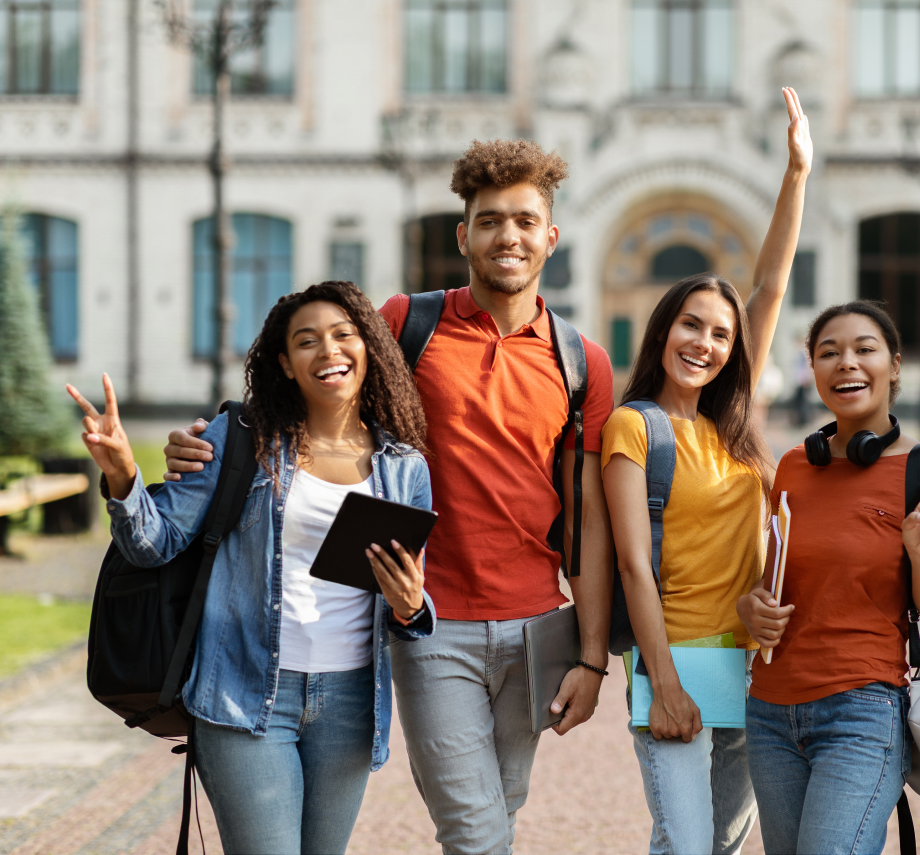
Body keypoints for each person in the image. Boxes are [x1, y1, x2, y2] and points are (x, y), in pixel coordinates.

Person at [164, 141, 615, 853]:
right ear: (463, 235)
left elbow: (586, 519)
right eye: (491, 220)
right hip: (430, 619)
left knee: (502, 806)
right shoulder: (410, 322)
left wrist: (592, 656)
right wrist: (219, 439)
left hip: (536, 624)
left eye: (526, 221)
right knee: (473, 826)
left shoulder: (581, 359)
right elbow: (321, 378)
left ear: (550, 238)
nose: (509, 236)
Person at [69, 281, 436, 854]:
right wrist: (122, 474)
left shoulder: (404, 467)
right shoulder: (246, 440)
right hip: (245, 696)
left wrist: (412, 604)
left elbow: (407, 606)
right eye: (307, 341)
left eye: (344, 335)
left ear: (369, 348)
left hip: (350, 704)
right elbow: (154, 543)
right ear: (286, 365)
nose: (329, 351)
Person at [601, 87, 810, 855]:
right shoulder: (633, 427)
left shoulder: (735, 429)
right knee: (686, 844)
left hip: (752, 669)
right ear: (663, 331)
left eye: (721, 333)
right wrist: (665, 682)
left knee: (718, 844)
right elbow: (630, 562)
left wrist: (796, 173)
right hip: (677, 659)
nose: (706, 341)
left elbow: (771, 286)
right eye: (691, 324)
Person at [737, 301, 920, 855]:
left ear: (893, 366)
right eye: (828, 353)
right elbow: (774, 581)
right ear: (812, 371)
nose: (846, 363)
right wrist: (751, 608)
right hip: (768, 709)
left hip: (860, 711)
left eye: (864, 350)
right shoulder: (794, 465)